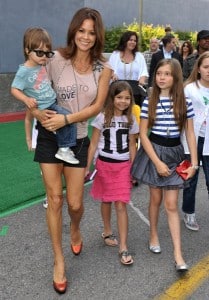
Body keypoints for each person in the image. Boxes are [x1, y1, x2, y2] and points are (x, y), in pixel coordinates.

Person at [28, 8, 112, 294]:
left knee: (75, 204)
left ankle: (75, 229)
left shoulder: (104, 69)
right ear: (73, 31)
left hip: (77, 139)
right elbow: (34, 91)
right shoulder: (56, 60)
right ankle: (59, 260)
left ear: (97, 35)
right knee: (55, 199)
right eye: (81, 31)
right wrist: (40, 114)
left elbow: (97, 107)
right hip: (50, 138)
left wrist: (66, 119)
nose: (86, 37)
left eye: (91, 32)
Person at [131, 59, 198, 271]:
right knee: (156, 199)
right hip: (154, 151)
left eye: (167, 74)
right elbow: (143, 133)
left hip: (176, 153)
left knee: (171, 205)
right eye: (159, 73)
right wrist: (157, 162)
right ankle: (153, 234)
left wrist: (194, 164)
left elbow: (189, 133)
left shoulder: (184, 102)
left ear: (175, 77)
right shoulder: (150, 100)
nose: (162, 77)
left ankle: (178, 255)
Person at [86, 81, 139, 265]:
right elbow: (93, 143)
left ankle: (123, 246)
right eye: (119, 97)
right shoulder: (102, 117)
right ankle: (107, 231)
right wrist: (87, 166)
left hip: (123, 166)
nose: (123, 101)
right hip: (104, 164)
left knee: (121, 204)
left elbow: (132, 144)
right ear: (112, 98)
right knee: (106, 199)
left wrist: (134, 167)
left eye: (127, 98)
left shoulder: (131, 119)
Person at [11, 27, 79, 165]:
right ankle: (64, 149)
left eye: (47, 53)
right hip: (46, 107)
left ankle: (64, 146)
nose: (44, 57)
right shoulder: (24, 71)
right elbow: (14, 89)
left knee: (66, 122)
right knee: (69, 119)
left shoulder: (42, 64)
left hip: (53, 102)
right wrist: (26, 99)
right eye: (40, 52)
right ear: (27, 50)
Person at [181, 51, 209, 231]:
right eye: (206, 67)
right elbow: (182, 116)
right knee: (190, 179)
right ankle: (188, 212)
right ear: (198, 68)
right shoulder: (189, 89)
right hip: (191, 140)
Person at [108, 31, 148, 106]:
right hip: (117, 89)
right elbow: (109, 69)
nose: (133, 42)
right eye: (130, 40)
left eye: (135, 41)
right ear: (125, 41)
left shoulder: (139, 56)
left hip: (135, 92)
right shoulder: (115, 54)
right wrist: (113, 75)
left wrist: (142, 79)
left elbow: (144, 72)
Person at [24, 110, 48, 208]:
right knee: (45, 170)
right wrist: (29, 139)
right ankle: (49, 194)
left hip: (61, 136)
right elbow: (28, 119)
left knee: (63, 166)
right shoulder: (35, 99)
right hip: (41, 139)